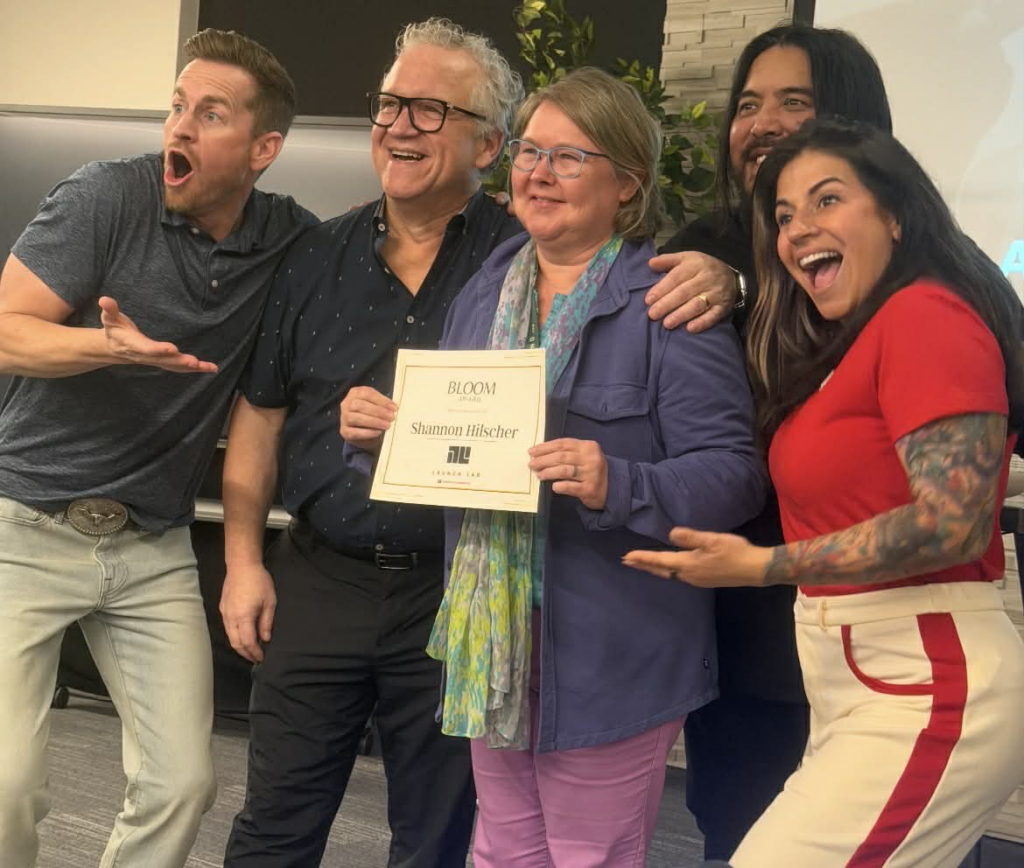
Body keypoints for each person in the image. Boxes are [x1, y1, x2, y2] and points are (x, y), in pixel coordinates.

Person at [220, 19, 707, 867]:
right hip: (321, 580)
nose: (400, 124)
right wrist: (243, 560)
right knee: (275, 823)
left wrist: (723, 275)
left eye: (430, 109)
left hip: (457, 595)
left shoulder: (521, 255)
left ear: (489, 145)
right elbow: (260, 417)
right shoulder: (314, 257)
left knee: (440, 838)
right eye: (390, 103)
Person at [347, 66, 766, 866]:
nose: (539, 173)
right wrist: (379, 436)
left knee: (587, 857)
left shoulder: (667, 303)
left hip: (615, 655)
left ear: (628, 184)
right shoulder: (482, 296)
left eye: (570, 158)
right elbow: (449, 448)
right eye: (530, 152)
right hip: (494, 645)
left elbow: (735, 476)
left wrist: (623, 481)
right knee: (502, 854)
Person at [625, 118, 1024, 868]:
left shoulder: (927, 315)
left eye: (827, 200)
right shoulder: (852, 341)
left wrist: (761, 565)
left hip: (924, 681)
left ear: (896, 213)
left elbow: (954, 526)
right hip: (861, 680)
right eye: (782, 215)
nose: (798, 227)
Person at [0, 29, 314, 868]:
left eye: (209, 115)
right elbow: (5, 331)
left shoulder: (288, 240)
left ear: (263, 149)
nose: (178, 127)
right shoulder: (105, 197)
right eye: (177, 106)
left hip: (153, 544)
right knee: (6, 787)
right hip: (24, 525)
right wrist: (109, 350)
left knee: (182, 787)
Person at [646, 24, 896, 859]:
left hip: (884, 628)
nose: (761, 122)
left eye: (795, 102)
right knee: (740, 831)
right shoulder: (697, 248)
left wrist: (751, 284)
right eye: (747, 105)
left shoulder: (915, 260)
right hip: (747, 628)